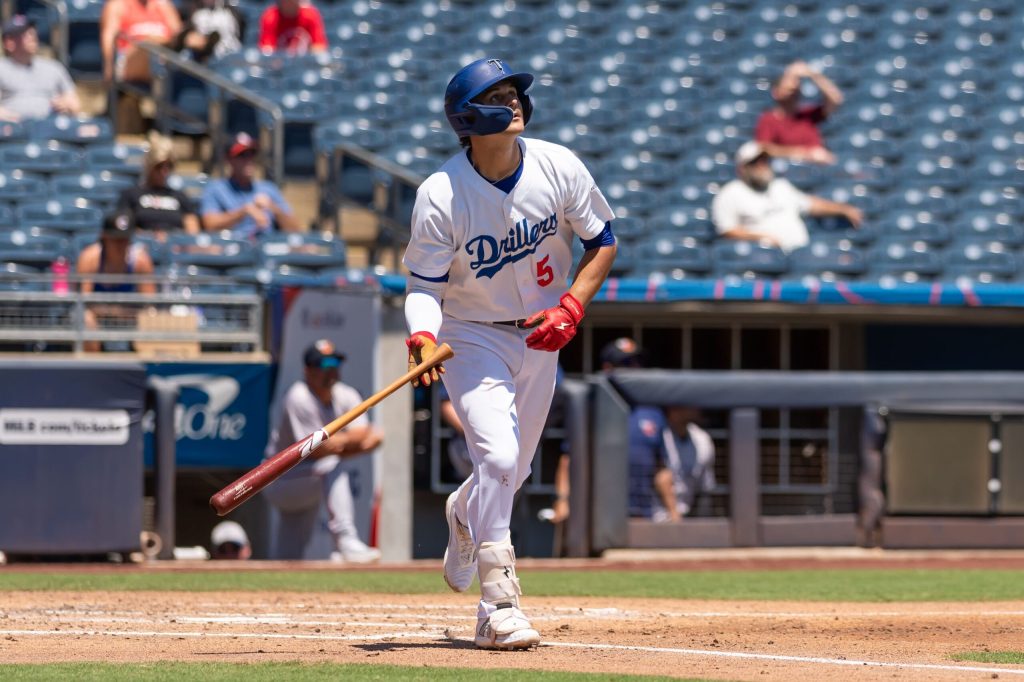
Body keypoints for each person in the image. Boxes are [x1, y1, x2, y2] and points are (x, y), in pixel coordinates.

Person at [403, 58, 617, 650]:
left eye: (514, 92)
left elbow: (603, 240)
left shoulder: (558, 164)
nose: (514, 100)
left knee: (512, 471)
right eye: (498, 95)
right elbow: (423, 285)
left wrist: (573, 305)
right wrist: (422, 336)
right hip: (470, 334)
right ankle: (497, 607)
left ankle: (465, 512)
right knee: (498, 457)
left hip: (543, 333)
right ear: (467, 118)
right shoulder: (440, 194)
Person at [263, 339, 383, 562]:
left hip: (308, 478)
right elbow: (315, 450)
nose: (331, 371)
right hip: (280, 478)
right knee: (330, 466)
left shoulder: (345, 394)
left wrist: (341, 444)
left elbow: (366, 434)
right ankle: (346, 540)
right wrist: (354, 443)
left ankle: (277, 591)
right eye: (323, 366)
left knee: (287, 558)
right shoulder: (298, 396)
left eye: (334, 364)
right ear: (307, 371)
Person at [712, 141, 863, 253]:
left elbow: (810, 204)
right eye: (755, 162)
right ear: (742, 168)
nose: (762, 165)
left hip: (800, 255)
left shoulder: (780, 186)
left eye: (765, 161)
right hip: (761, 259)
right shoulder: (730, 193)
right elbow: (727, 229)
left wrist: (844, 209)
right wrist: (762, 239)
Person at [75, 210, 157, 352]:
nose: (121, 244)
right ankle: (92, 367)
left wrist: (115, 311)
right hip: (98, 317)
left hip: (130, 318)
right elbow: (84, 302)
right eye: (115, 239)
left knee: (150, 317)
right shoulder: (89, 259)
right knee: (85, 318)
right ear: (104, 237)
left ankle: (141, 368)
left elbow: (149, 303)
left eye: (125, 239)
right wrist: (115, 311)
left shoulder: (141, 261)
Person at [200, 132, 300, 238]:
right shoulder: (216, 189)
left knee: (308, 248)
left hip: (268, 246)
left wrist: (273, 208)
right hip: (232, 246)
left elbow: (295, 230)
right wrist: (244, 212)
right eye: (242, 155)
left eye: (252, 154)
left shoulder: (268, 188)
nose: (248, 160)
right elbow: (210, 225)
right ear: (228, 160)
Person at [754, 60, 843, 165]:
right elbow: (764, 149)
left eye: (795, 90)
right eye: (788, 90)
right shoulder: (769, 119)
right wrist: (806, 154)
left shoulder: (808, 115)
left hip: (818, 171)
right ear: (776, 92)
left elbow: (835, 99)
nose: (792, 92)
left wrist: (812, 74)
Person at [117, 132, 200, 239]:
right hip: (143, 247)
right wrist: (150, 238)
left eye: (168, 166)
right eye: (159, 167)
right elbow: (124, 227)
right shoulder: (131, 195)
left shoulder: (180, 196)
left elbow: (193, 231)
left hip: (175, 248)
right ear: (150, 166)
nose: (164, 172)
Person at [0, 15, 80, 121]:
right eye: (25, 34)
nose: (32, 36)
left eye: (32, 32)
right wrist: (10, 118)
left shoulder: (53, 68)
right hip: (11, 131)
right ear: (9, 42)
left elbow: (75, 104)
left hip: (52, 129)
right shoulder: (2, 69)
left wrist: (66, 104)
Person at [101, 0, 182, 84]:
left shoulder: (164, 5)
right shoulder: (118, 5)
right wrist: (109, 65)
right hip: (129, 59)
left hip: (164, 56)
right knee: (147, 45)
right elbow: (110, 38)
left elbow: (179, 36)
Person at [169, 0, 243, 63]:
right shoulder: (193, 9)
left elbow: (219, 39)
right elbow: (183, 36)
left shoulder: (228, 12)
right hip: (197, 60)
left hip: (224, 60)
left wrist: (205, 43)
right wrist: (186, 37)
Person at [258, 0, 327, 56]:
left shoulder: (310, 15)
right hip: (278, 68)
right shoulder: (270, 17)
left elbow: (319, 47)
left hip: (305, 67)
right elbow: (267, 50)